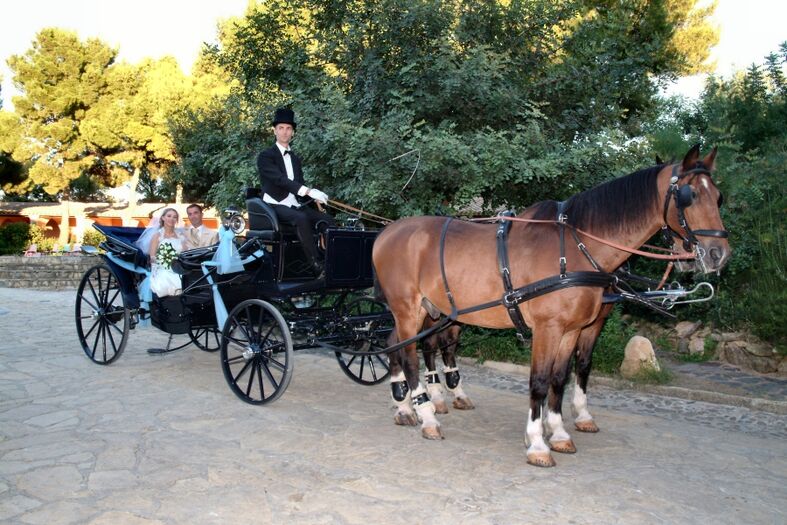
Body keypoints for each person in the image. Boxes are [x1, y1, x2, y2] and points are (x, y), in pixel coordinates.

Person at [257, 108, 335, 276]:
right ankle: (316, 265)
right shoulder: (265, 156)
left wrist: (315, 197)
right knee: (300, 218)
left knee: (328, 220)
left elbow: (298, 184)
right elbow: (279, 180)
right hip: (274, 204)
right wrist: (308, 191)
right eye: (281, 128)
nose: (285, 132)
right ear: (275, 130)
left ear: (293, 132)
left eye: (288, 128)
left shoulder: (295, 158)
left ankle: (331, 261)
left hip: (294, 203)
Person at [135, 207, 187, 297]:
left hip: (179, 267)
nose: (172, 219)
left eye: (174, 217)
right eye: (169, 216)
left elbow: (185, 253)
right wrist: (154, 271)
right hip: (163, 269)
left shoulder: (181, 236)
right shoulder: (157, 235)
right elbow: (152, 257)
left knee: (190, 280)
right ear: (163, 218)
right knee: (170, 282)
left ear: (177, 220)